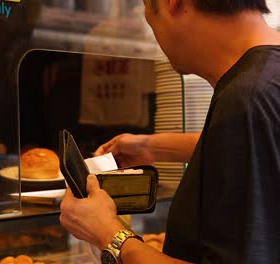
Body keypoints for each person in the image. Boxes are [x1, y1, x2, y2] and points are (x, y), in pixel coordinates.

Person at [59, 0, 280, 263]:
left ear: (172, 3)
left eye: (150, 19)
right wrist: (150, 146)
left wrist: (109, 234)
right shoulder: (266, 82)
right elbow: (258, 148)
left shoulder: (248, 99)